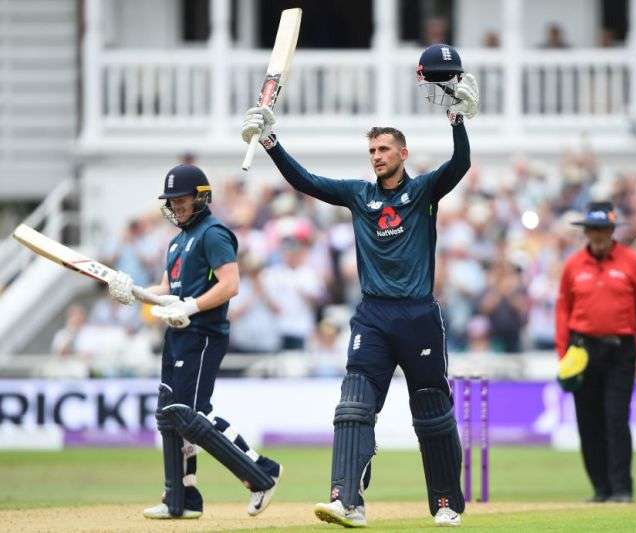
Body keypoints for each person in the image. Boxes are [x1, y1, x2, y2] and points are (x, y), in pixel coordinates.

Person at [241, 43, 478, 528]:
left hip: (418, 315)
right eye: (372, 150)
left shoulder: (423, 191)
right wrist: (270, 142)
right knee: (353, 406)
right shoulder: (358, 194)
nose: (376, 157)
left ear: (402, 153)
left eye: (384, 149)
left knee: (431, 411)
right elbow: (306, 182)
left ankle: (446, 504)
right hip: (373, 315)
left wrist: (457, 118)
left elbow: (460, 165)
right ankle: (347, 500)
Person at [106, 164, 282, 519]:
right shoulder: (176, 241)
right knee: (169, 415)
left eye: (183, 199)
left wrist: (192, 306)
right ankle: (181, 498)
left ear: (201, 197)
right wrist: (133, 292)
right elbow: (167, 290)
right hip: (177, 333)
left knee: (192, 413)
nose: (177, 206)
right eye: (172, 201)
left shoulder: (213, 233)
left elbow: (230, 285)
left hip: (203, 334)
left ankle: (262, 473)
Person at [554, 201, 636, 504]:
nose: (598, 235)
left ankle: (621, 489)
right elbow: (563, 310)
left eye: (603, 229)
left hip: (620, 350)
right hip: (582, 351)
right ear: (586, 231)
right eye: (593, 229)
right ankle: (600, 488)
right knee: (588, 422)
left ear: (612, 230)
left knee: (615, 418)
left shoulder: (633, 262)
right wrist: (563, 354)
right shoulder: (573, 265)